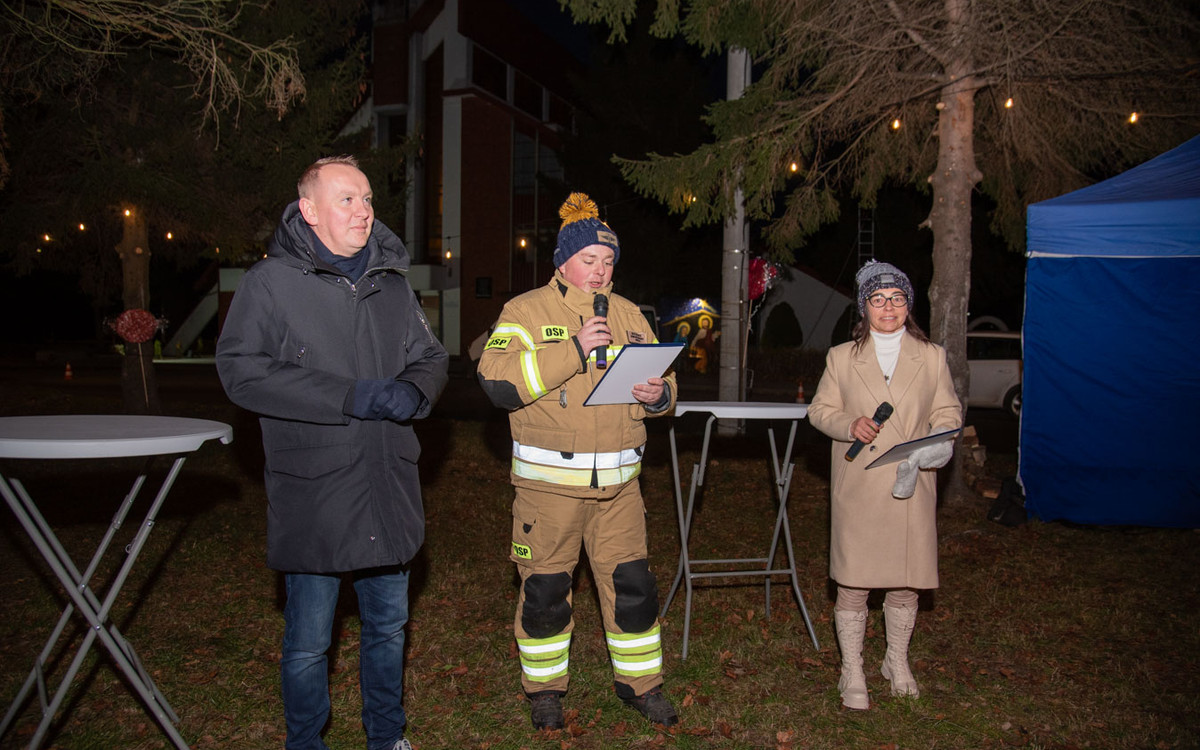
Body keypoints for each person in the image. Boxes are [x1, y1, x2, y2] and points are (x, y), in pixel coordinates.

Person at [216, 155, 448, 750]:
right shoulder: (270, 283)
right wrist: (349, 396)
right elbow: (241, 372)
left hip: (385, 483)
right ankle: (305, 742)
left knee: (388, 628)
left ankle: (387, 737)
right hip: (316, 485)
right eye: (346, 199)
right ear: (309, 211)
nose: (364, 211)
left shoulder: (392, 284)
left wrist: (413, 390)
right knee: (309, 641)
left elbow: (431, 357)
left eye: (368, 198)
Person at [477, 192, 679, 731]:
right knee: (544, 594)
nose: (600, 271)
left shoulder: (632, 315)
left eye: (608, 261)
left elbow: (667, 385)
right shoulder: (524, 311)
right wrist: (572, 348)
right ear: (563, 262)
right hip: (549, 495)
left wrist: (657, 394)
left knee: (634, 589)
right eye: (590, 260)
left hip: (621, 493)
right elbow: (496, 381)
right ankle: (544, 691)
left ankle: (641, 684)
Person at [806, 260, 962, 711]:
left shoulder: (931, 356)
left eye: (896, 298)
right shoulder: (841, 357)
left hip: (911, 481)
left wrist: (939, 443)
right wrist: (848, 423)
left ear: (907, 304)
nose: (888, 307)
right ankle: (851, 668)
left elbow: (948, 413)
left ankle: (896, 659)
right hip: (860, 484)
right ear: (865, 307)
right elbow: (819, 410)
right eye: (878, 299)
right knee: (854, 582)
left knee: (905, 579)